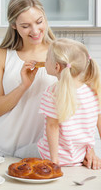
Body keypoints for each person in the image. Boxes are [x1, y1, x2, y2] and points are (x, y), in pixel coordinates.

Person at [0, 0, 57, 157]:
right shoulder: (1, 56)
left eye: (39, 22)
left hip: (43, 154)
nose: (35, 30)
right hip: (0, 150)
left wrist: (88, 148)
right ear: (14, 25)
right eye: (26, 26)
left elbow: (81, 104)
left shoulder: (60, 52)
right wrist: (23, 86)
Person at [35, 38, 101, 167]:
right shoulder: (93, 90)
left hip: (50, 157)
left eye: (47, 58)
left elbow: (52, 127)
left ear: (56, 67)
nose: (45, 61)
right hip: (79, 158)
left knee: (17, 152)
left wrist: (54, 161)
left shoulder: (52, 92)